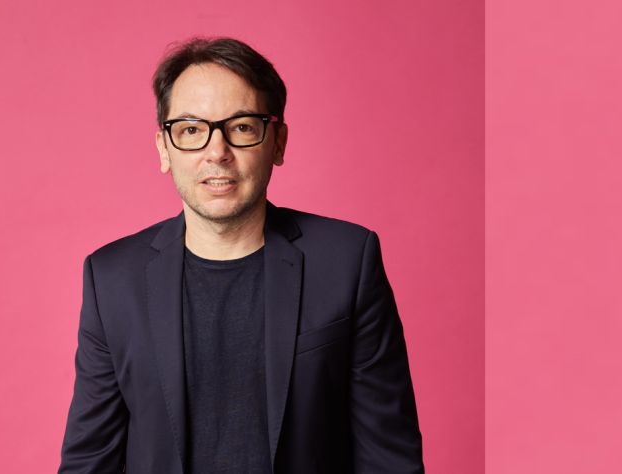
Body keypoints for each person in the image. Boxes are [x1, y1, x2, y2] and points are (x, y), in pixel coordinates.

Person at [58, 37, 424, 474]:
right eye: (191, 130)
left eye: (243, 127)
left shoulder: (347, 262)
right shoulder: (112, 279)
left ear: (278, 142)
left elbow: (389, 457)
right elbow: (89, 461)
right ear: (163, 148)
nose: (217, 152)